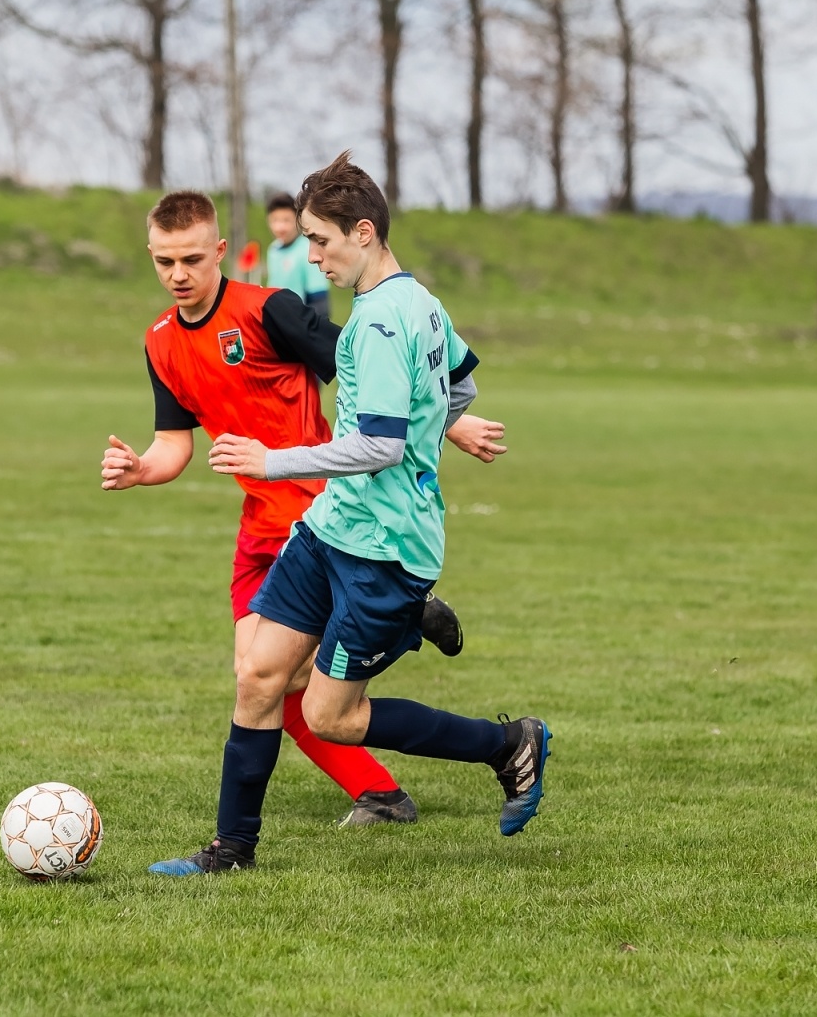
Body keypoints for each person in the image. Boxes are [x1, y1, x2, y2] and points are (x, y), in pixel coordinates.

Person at [149, 153, 550, 876]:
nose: (311, 256)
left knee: (332, 716)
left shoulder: (382, 325)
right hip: (329, 530)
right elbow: (459, 381)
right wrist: (439, 423)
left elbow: (378, 445)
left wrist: (272, 461)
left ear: (362, 233)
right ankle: (231, 850)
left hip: (385, 549)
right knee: (260, 677)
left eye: (320, 240)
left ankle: (509, 744)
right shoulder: (420, 302)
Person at [266, 192, 331, 321]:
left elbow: (319, 301)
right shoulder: (273, 250)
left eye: (286, 220)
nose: (280, 227)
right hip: (279, 325)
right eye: (275, 220)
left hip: (301, 325)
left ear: (298, 220)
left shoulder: (308, 248)